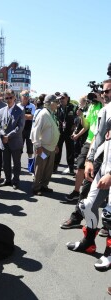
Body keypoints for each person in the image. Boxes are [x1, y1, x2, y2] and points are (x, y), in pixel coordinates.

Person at [66, 85, 111, 271]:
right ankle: (89, 242)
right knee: (88, 205)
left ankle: (109, 253)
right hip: (104, 167)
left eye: (108, 91)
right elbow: (98, 136)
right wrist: (90, 160)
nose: (103, 94)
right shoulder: (105, 110)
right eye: (104, 91)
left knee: (109, 215)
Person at [64, 92, 103, 201]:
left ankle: (94, 196)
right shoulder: (92, 106)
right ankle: (76, 192)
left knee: (97, 169)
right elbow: (86, 125)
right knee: (80, 165)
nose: (92, 98)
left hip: (102, 142)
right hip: (89, 141)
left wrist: (100, 99)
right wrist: (81, 116)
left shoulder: (104, 105)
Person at [30, 94, 60, 196]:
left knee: (48, 169)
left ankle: (44, 185)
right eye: (56, 102)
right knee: (40, 168)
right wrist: (38, 146)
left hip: (50, 147)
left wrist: (55, 144)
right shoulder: (43, 114)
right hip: (43, 147)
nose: (58, 104)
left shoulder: (51, 113)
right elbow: (36, 131)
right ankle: (36, 187)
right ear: (51, 103)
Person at [0, 89, 25, 189]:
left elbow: (20, 127)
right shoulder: (1, 111)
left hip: (15, 141)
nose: (8, 99)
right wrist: (3, 135)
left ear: (14, 98)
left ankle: (16, 181)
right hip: (4, 142)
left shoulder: (20, 111)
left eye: (10, 97)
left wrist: (8, 136)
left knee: (16, 163)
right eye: (6, 98)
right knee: (5, 163)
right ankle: (7, 179)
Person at [54, 92, 77, 175]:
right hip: (59, 132)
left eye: (63, 98)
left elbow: (78, 118)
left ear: (67, 98)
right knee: (57, 149)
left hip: (69, 132)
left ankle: (71, 167)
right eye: (60, 98)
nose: (61, 100)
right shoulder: (57, 107)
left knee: (70, 150)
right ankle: (55, 166)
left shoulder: (73, 107)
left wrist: (75, 126)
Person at [17, 90, 36, 173]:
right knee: (19, 149)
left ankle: (30, 166)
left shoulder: (32, 106)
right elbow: (16, 118)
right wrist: (26, 116)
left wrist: (22, 116)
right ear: (21, 96)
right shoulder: (17, 106)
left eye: (27, 95)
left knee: (30, 150)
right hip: (19, 131)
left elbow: (32, 117)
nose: (26, 97)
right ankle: (18, 165)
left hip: (29, 130)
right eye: (24, 95)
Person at [71, 96, 89, 161]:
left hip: (83, 137)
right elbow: (76, 125)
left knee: (82, 156)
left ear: (85, 102)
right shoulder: (78, 110)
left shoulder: (87, 112)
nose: (79, 104)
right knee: (76, 153)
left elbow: (86, 127)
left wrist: (77, 135)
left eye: (80, 103)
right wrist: (74, 133)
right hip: (77, 137)